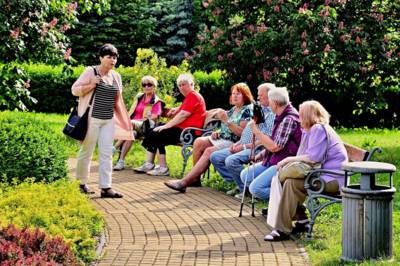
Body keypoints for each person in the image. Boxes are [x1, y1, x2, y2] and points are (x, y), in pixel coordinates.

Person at [264, 100, 348, 241]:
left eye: (301, 115)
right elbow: (302, 155)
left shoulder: (318, 129)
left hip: (333, 180)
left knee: (289, 182)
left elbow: (313, 158)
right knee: (290, 182)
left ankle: (283, 229)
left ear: (309, 116)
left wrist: (286, 160)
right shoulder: (311, 130)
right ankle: (298, 222)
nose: (299, 118)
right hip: (322, 176)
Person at [164, 83, 254, 193]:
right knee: (199, 142)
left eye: (238, 94)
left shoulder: (247, 110)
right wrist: (218, 132)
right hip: (223, 138)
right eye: (233, 93)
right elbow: (227, 128)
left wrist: (226, 120)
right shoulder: (234, 109)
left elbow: (243, 134)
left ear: (245, 95)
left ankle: (184, 182)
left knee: (209, 151)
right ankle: (195, 179)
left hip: (234, 142)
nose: (234, 96)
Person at [72, 43, 132, 198]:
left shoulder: (116, 76)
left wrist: (124, 119)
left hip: (108, 120)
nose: (112, 60)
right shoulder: (91, 71)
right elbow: (74, 90)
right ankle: (81, 183)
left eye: (114, 57)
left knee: (107, 153)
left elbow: (118, 100)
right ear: (101, 58)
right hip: (92, 119)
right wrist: (92, 84)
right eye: (109, 57)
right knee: (87, 150)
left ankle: (106, 187)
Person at [210, 83, 276, 197]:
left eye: (261, 95)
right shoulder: (259, 109)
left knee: (231, 160)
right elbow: (248, 132)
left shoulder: (272, 114)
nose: (258, 98)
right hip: (244, 144)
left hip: (256, 148)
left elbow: (264, 140)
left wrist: (244, 147)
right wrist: (238, 143)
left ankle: (245, 189)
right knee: (215, 157)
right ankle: (241, 184)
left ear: (270, 96)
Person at [134, 73, 206, 176]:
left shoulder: (193, 96)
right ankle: (149, 163)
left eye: (184, 84)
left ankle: (162, 168)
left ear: (191, 84)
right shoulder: (190, 97)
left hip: (188, 133)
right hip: (183, 130)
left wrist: (166, 126)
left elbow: (183, 115)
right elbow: (182, 110)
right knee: (153, 129)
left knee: (158, 133)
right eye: (179, 85)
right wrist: (174, 110)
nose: (181, 87)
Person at [240, 87, 302, 201]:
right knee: (245, 176)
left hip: (284, 162)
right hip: (273, 159)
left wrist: (257, 132)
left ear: (276, 103)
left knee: (256, 188)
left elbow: (275, 146)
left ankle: (293, 202)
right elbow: (275, 141)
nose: (268, 104)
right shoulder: (280, 115)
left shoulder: (288, 119)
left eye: (270, 101)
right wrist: (262, 154)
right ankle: (275, 203)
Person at [113, 75, 163, 171]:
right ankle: (121, 161)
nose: (146, 87)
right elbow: (132, 111)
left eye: (149, 85)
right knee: (132, 134)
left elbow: (155, 116)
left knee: (130, 124)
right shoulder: (139, 97)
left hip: (146, 126)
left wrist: (148, 116)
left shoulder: (157, 101)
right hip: (133, 127)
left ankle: (114, 148)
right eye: (144, 85)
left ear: (154, 87)